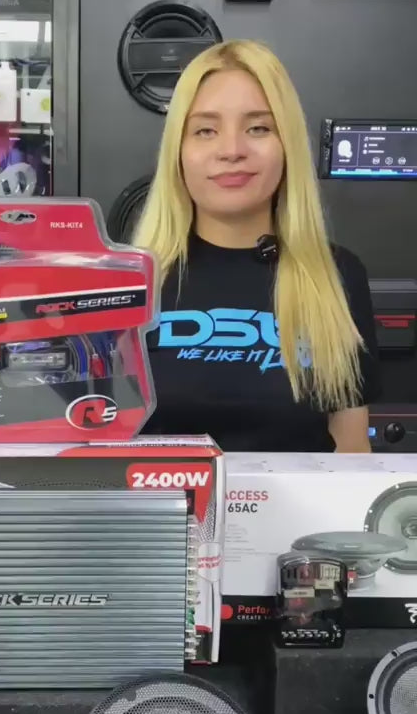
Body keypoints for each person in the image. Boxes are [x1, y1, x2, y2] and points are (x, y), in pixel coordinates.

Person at [135, 39, 380, 452]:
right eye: (205, 130)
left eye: (258, 128)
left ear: (287, 145)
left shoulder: (338, 275)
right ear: (178, 151)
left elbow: (351, 453)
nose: (232, 150)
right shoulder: (128, 283)